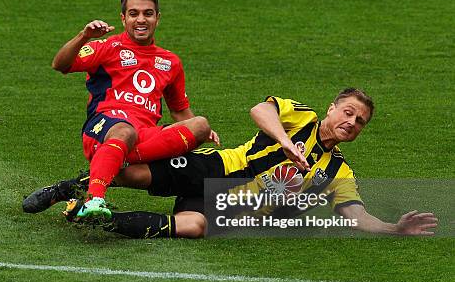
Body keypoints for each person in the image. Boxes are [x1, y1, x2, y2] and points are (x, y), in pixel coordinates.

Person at [43, 88, 438, 238]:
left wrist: (393, 228)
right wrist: (285, 142)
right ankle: (69, 188)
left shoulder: (339, 170)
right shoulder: (300, 116)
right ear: (332, 108)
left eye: (359, 122)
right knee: (133, 173)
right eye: (348, 112)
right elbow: (259, 109)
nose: (351, 122)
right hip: (219, 167)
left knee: (194, 227)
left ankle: (96, 219)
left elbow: (354, 213)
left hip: (228, 203)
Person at [23, 0, 219, 216]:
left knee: (201, 124)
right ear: (123, 18)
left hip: (144, 136)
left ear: (157, 18)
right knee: (125, 132)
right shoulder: (108, 47)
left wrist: (199, 132)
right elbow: (60, 64)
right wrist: (84, 36)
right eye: (133, 14)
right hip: (105, 126)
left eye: (148, 13)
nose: (141, 20)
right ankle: (95, 199)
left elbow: (180, 111)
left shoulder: (170, 62)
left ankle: (98, 171)